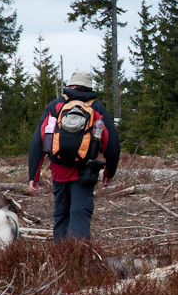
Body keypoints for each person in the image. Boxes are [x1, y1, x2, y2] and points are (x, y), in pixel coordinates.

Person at [28, 70, 120, 241]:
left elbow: (38, 141)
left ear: (70, 85)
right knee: (80, 212)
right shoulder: (96, 107)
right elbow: (112, 142)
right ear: (89, 87)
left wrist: (34, 175)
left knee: (61, 214)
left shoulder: (55, 106)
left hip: (58, 170)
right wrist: (109, 172)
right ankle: (78, 259)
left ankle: (61, 259)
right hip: (84, 172)